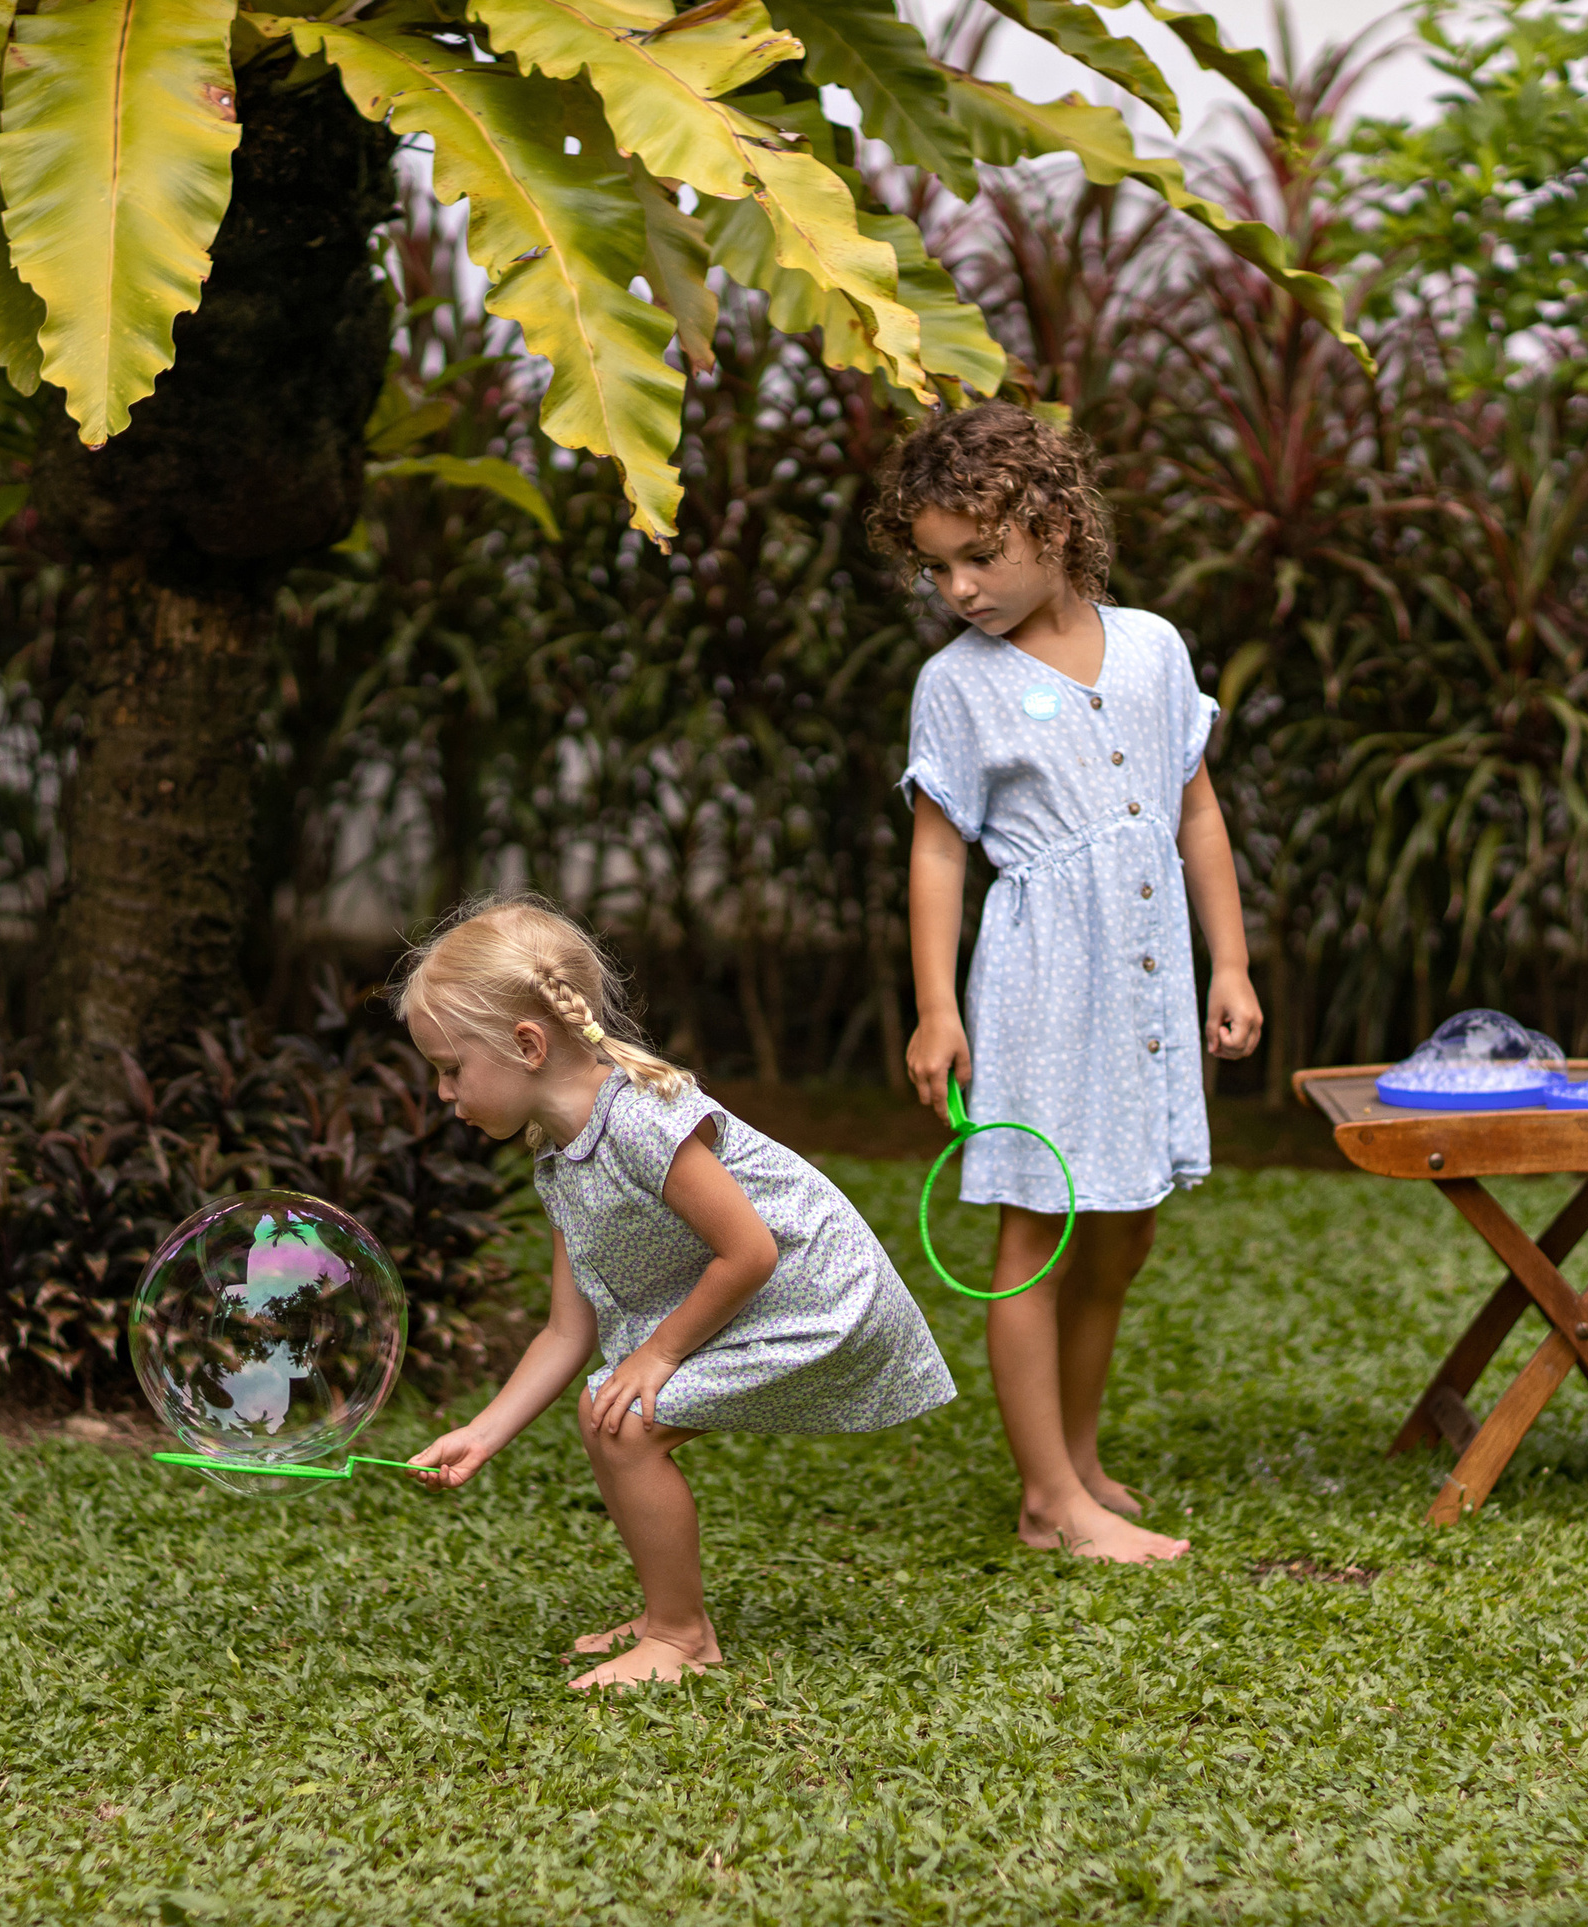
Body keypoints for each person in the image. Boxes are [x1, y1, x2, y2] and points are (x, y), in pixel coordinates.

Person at [877, 401, 1263, 1566]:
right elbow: (937, 851)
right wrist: (936, 1008)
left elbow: (1197, 812)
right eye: (936, 567)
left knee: (1123, 1229)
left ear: (1053, 525)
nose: (957, 587)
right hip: (1040, 980)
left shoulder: (1152, 649)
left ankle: (1078, 1461)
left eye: (979, 556)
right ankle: (1047, 1499)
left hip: (1144, 981)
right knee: (1037, 1233)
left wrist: (1231, 960)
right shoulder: (956, 684)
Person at [395, 897, 957, 1690]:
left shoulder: (639, 1121)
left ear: (526, 1044)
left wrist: (658, 1355)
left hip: (819, 1294)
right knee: (608, 1412)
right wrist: (482, 1433)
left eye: (451, 1068)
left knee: (625, 1421)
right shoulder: (558, 1157)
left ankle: (681, 1636)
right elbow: (566, 1332)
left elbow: (751, 1250)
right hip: (763, 1295)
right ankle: (667, 1612)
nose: (443, 1091)